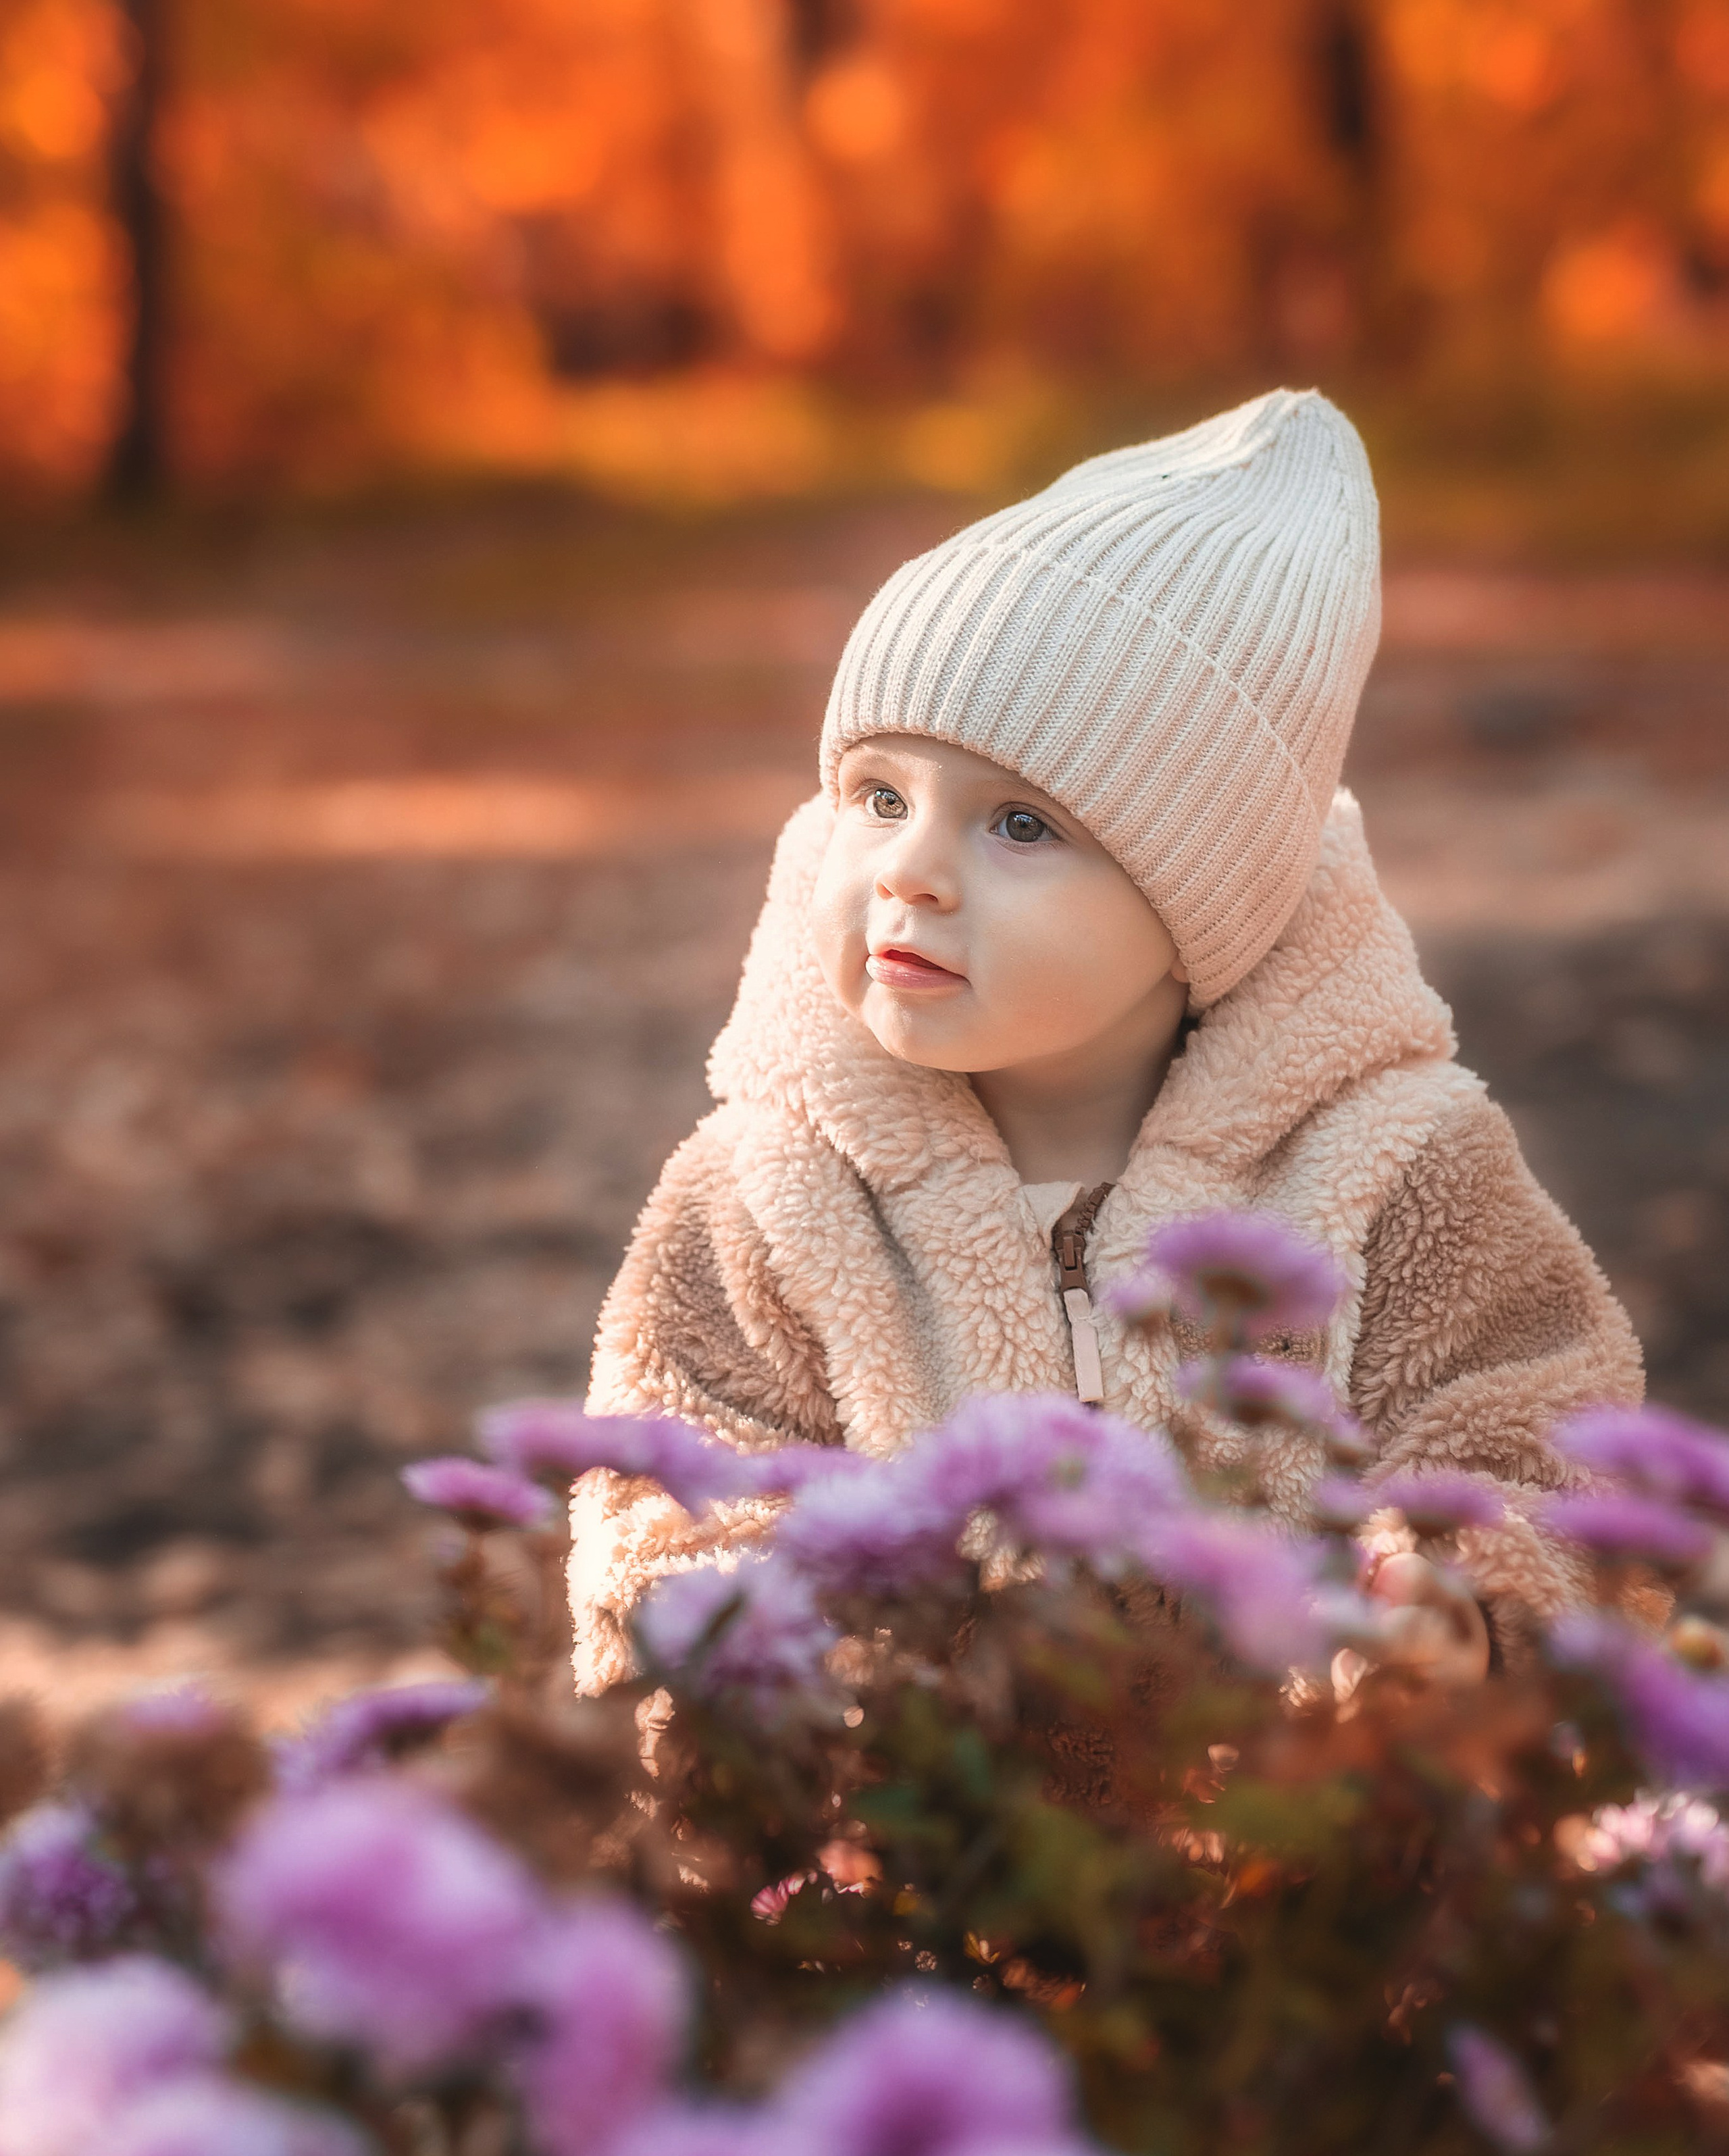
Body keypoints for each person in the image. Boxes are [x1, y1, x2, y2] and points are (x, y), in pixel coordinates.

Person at [571, 389, 1641, 1695]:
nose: (910, 870)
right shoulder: (769, 1197)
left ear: (1205, 903)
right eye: (879, 796)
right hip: (905, 1862)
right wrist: (763, 1673)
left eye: (1019, 827)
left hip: (1292, 1858)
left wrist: (1462, 1602)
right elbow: (672, 1495)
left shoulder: (1401, 1171)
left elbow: (1538, 1440)